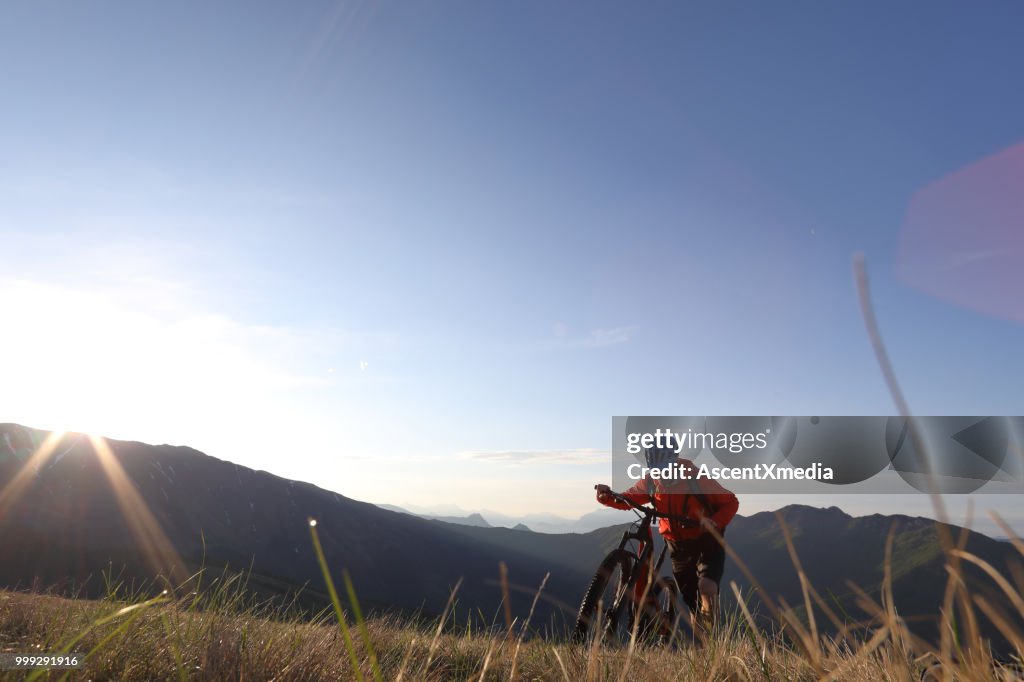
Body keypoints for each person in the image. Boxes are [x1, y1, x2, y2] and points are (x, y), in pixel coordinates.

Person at [595, 441, 738, 633]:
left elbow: (730, 502)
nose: (661, 473)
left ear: (675, 461)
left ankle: (712, 640)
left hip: (707, 539)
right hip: (677, 545)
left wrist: (715, 521)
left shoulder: (697, 479)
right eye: (656, 470)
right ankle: (704, 648)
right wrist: (606, 496)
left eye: (665, 468)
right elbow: (628, 499)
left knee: (707, 587)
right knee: (693, 602)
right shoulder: (651, 481)